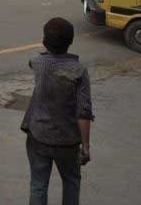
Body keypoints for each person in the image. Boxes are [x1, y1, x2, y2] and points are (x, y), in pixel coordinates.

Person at [22, 17, 93, 205]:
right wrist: (85, 146)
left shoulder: (37, 63)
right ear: (70, 42)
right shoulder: (79, 71)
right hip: (67, 141)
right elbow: (83, 113)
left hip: (38, 135)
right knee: (71, 182)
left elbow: (37, 58)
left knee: (38, 184)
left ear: (45, 41)